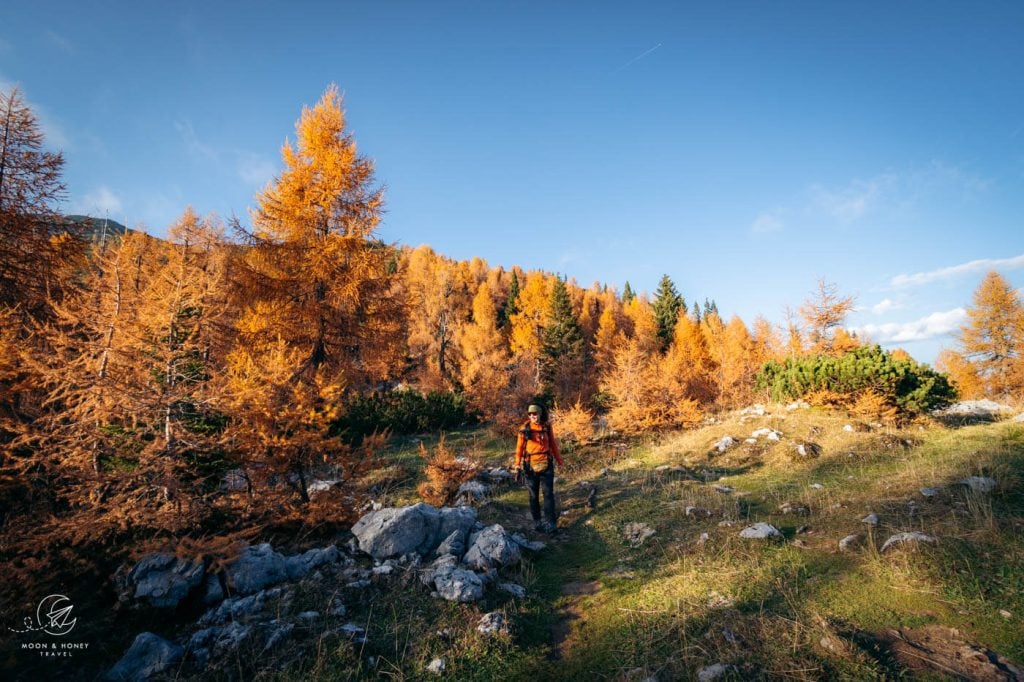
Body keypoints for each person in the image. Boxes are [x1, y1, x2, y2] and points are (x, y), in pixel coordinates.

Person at [513, 402, 563, 533]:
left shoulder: (546, 427)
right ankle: (537, 521)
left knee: (548, 494)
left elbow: (553, 444)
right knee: (533, 495)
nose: (532, 416)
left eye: (535, 413)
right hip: (530, 466)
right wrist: (517, 465)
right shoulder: (524, 429)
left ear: (540, 414)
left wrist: (559, 461)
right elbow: (519, 449)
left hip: (547, 464)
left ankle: (551, 523)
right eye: (530, 414)